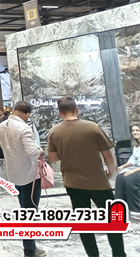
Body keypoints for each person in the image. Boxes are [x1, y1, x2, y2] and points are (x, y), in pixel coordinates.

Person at [48, 96, 126, 257]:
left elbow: (53, 158)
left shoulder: (54, 131)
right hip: (98, 182)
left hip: (73, 184)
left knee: (83, 222)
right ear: (77, 109)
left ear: (60, 113)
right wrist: (110, 171)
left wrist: (68, 152)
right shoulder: (92, 127)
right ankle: (119, 254)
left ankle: (93, 255)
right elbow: (108, 156)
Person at [0, 101, 46, 257]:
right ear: (27, 114)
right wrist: (41, 151)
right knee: (29, 214)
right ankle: (29, 251)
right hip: (30, 176)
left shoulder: (1, 126)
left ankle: (31, 246)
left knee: (25, 211)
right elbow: (33, 153)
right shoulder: (24, 128)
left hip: (14, 174)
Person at [116, 124, 140, 215]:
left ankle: (136, 209)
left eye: (137, 130)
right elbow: (134, 160)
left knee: (130, 179)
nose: (135, 132)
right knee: (120, 178)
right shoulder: (136, 146)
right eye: (133, 130)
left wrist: (132, 171)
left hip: (137, 169)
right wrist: (124, 166)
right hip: (137, 168)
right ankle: (120, 206)